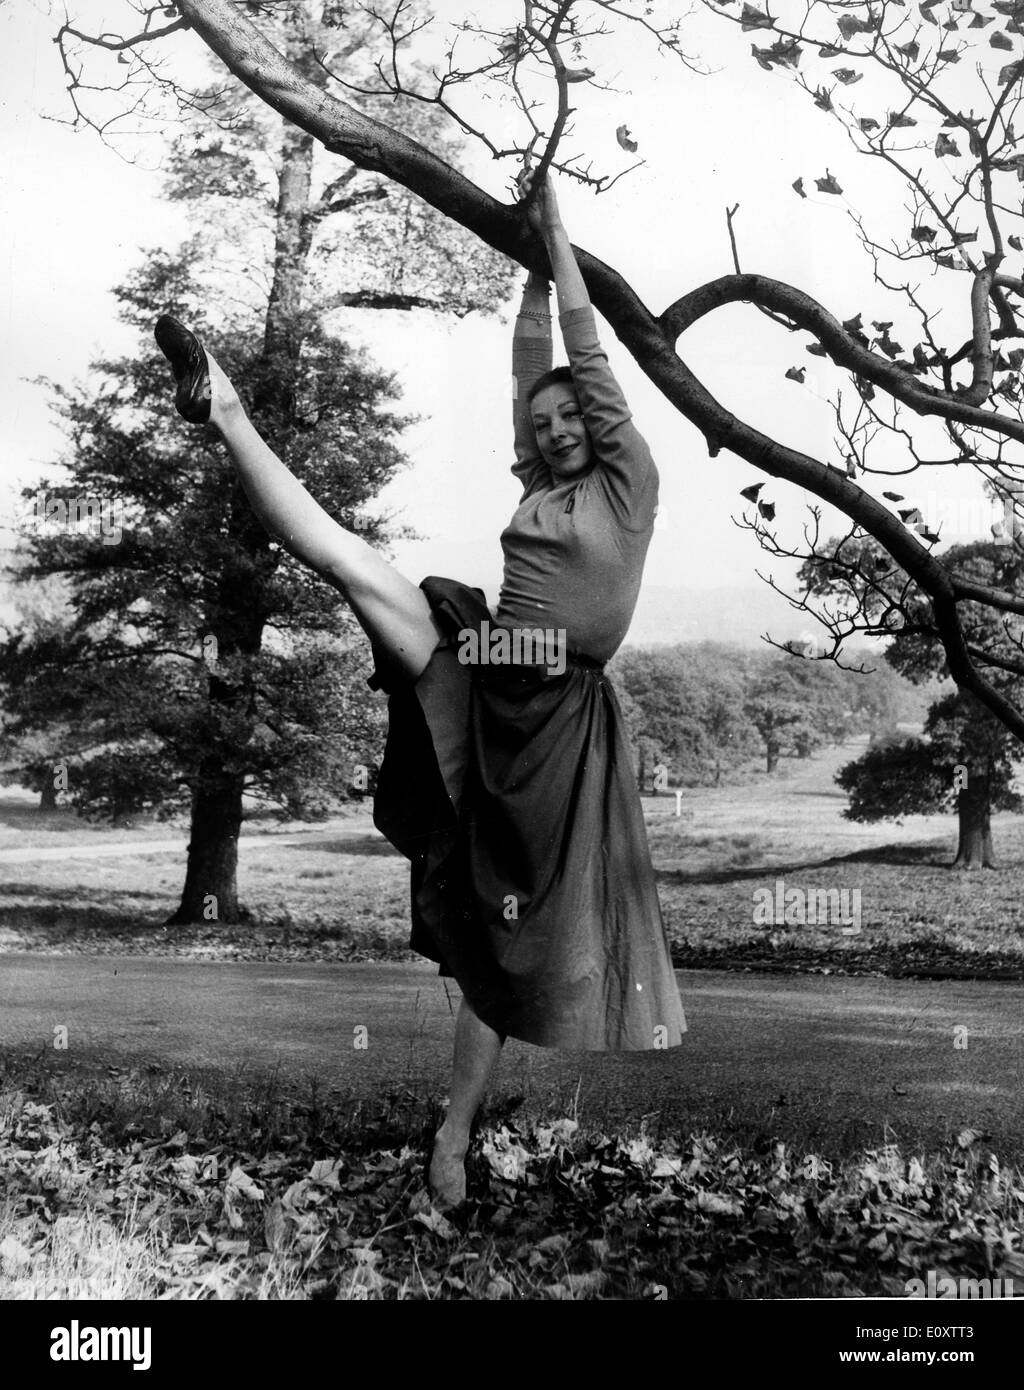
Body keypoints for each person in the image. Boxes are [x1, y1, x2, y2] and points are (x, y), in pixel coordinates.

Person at [155, 170, 686, 1210]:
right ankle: (220, 405)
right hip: (488, 662)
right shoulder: (540, 483)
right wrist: (528, 276)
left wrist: (559, 241)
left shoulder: (629, 485)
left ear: (600, 421)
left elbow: (585, 359)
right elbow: (536, 360)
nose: (559, 423)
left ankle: (452, 1139)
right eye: (544, 421)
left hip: (551, 727)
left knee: (503, 935)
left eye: (574, 412)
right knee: (355, 565)